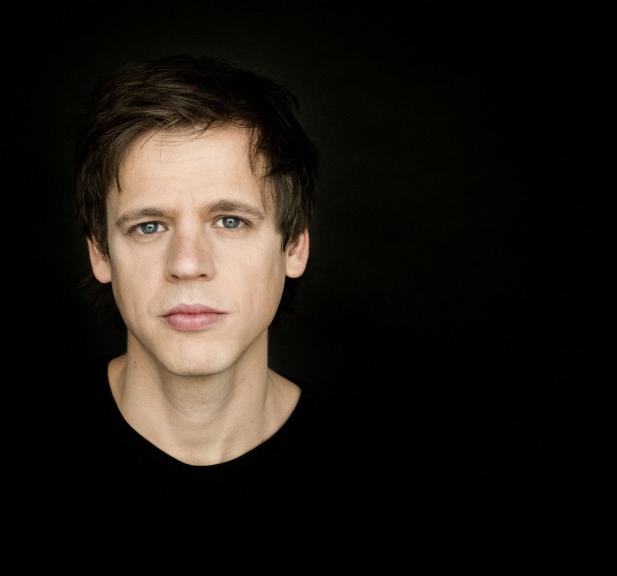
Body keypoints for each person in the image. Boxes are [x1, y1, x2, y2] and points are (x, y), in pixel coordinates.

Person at [54, 54, 457, 526]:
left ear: (294, 246)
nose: (187, 264)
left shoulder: (393, 481)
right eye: (149, 226)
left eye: (230, 221)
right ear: (100, 253)